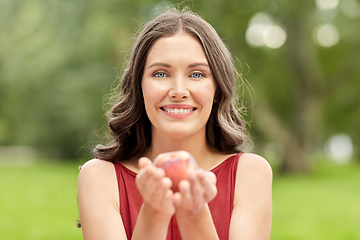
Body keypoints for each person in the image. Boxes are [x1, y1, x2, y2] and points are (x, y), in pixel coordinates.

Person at [78, 7, 272, 240]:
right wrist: (153, 215)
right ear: (140, 88)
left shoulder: (250, 174)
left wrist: (194, 216)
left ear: (218, 89)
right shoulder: (99, 177)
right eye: (160, 74)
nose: (179, 91)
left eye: (197, 74)